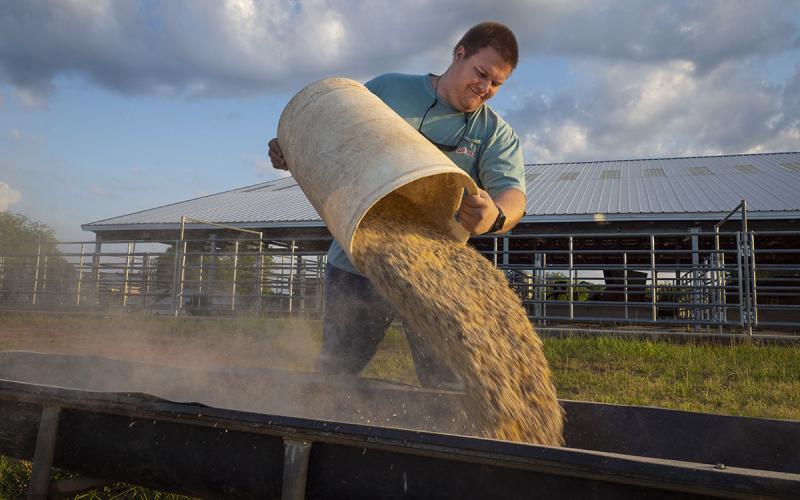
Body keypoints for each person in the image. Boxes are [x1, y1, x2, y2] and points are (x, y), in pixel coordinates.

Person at [268, 22, 526, 388]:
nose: (485, 88)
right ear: (459, 54)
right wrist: (290, 147)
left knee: (446, 381)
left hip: (434, 272)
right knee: (337, 369)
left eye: (496, 84)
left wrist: (495, 215)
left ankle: (440, 442)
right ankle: (311, 439)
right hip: (357, 259)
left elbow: (513, 196)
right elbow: (333, 129)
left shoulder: (493, 133)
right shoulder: (389, 89)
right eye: (481, 73)